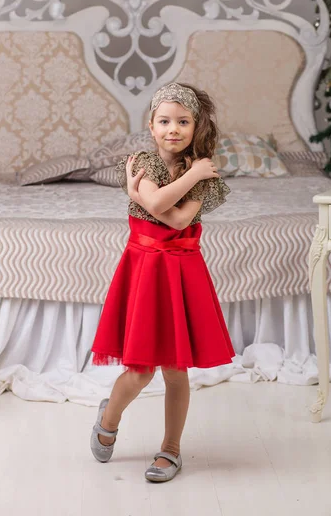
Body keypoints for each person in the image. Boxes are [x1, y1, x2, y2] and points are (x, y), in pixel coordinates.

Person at [89, 82, 235, 482]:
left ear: (196, 126)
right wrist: (148, 195)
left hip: (183, 272)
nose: (174, 129)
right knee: (140, 370)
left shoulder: (202, 172)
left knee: (175, 368)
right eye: (165, 121)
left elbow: (182, 220)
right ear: (151, 126)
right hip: (145, 269)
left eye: (183, 121)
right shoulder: (142, 164)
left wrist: (193, 175)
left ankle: (171, 449)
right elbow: (160, 209)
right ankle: (110, 415)